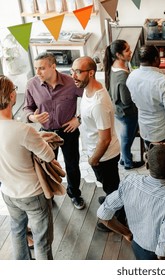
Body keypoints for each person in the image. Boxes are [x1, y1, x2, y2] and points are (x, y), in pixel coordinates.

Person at [0, 75, 56, 259]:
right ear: (12, 96)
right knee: (42, 240)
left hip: (8, 191)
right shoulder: (24, 130)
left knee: (17, 232)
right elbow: (49, 155)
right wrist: (42, 140)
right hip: (32, 193)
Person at [97, 143, 165, 260]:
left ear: (147, 165)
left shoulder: (129, 181)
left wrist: (126, 233)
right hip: (153, 253)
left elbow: (103, 216)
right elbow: (163, 251)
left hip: (136, 243)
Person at [23, 52, 85, 210]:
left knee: (72, 165)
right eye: (36, 68)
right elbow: (27, 108)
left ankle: (74, 194)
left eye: (42, 68)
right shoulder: (32, 84)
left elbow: (90, 99)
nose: (38, 72)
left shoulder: (71, 83)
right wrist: (32, 118)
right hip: (46, 134)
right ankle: (49, 195)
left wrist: (79, 119)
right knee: (47, 166)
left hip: (68, 131)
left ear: (53, 66)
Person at [71, 56, 125, 231]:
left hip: (104, 155)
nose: (74, 75)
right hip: (97, 151)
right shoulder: (88, 91)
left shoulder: (98, 103)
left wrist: (94, 159)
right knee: (109, 184)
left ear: (91, 73)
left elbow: (105, 138)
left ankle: (119, 218)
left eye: (78, 72)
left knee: (112, 187)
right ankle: (112, 199)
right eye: (72, 71)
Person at [103, 39, 144, 170]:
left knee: (126, 135)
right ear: (119, 55)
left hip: (118, 110)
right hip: (127, 112)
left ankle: (124, 158)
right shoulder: (123, 76)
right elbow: (127, 100)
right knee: (127, 137)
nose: (130, 52)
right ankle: (127, 162)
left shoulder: (113, 66)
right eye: (127, 50)